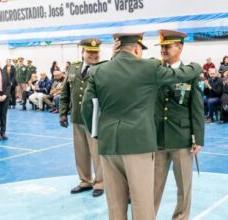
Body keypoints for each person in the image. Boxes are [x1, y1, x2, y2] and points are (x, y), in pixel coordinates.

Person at [81, 33, 201, 220]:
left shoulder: (98, 70)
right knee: (142, 203)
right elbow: (180, 74)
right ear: (137, 48)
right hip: (138, 143)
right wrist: (197, 66)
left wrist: (98, 135)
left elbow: (87, 108)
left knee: (115, 204)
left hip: (108, 145)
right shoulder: (149, 68)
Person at [153, 30, 204, 220]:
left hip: (182, 139)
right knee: (153, 187)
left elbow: (197, 108)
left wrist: (198, 138)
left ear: (180, 47)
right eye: (162, 47)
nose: (164, 50)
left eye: (168, 46)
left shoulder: (191, 75)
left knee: (184, 187)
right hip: (157, 138)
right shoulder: (155, 71)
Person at [59, 38, 104, 198]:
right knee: (81, 152)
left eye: (96, 52)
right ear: (82, 52)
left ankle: (100, 182)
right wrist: (63, 112)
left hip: (96, 119)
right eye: (90, 52)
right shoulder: (73, 68)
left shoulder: (103, 68)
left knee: (97, 152)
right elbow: (66, 92)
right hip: (77, 117)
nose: (94, 55)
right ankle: (85, 180)